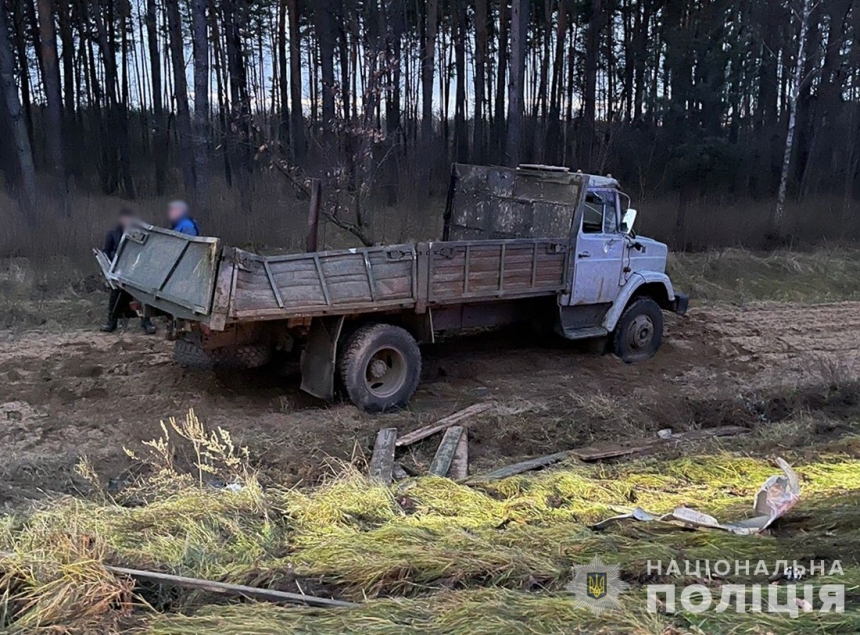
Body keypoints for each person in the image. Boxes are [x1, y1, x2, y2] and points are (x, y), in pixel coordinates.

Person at [100, 208, 157, 334]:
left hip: (135, 270)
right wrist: (114, 261)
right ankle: (111, 322)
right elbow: (106, 251)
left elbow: (144, 250)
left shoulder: (137, 232)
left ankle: (146, 322)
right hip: (118, 270)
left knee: (142, 295)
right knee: (115, 296)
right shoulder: (112, 233)